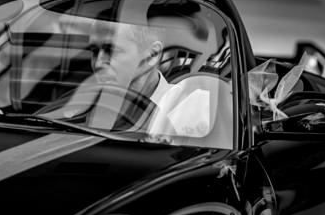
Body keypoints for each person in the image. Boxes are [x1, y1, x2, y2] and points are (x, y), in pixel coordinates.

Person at [81, 11, 223, 138]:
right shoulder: (83, 107)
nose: (98, 63)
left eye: (111, 50)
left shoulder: (193, 111)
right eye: (94, 51)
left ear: (151, 55)